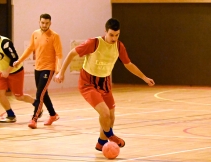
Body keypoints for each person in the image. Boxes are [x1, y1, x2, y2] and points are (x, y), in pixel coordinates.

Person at [55, 18, 155, 151]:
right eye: (111, 35)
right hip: (88, 83)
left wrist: (144, 77)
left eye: (117, 35)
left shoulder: (119, 46)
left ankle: (101, 143)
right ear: (105, 32)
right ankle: (110, 136)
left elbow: (128, 64)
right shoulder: (93, 43)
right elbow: (72, 53)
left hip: (105, 83)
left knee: (111, 116)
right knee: (105, 113)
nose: (114, 38)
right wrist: (61, 72)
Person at [13, 13, 63, 129]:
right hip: (38, 68)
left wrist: (58, 71)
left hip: (48, 68)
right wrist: (19, 60)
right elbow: (30, 49)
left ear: (50, 23)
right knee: (43, 93)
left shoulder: (55, 36)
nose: (44, 25)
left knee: (39, 93)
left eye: (47, 23)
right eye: (42, 22)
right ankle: (53, 114)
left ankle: (34, 119)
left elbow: (59, 55)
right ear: (39, 22)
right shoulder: (35, 34)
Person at [0, 24, 41, 123]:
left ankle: (36, 104)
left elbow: (15, 59)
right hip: (2, 73)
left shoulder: (5, 43)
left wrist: (8, 71)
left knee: (19, 96)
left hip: (15, 72)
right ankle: (11, 115)